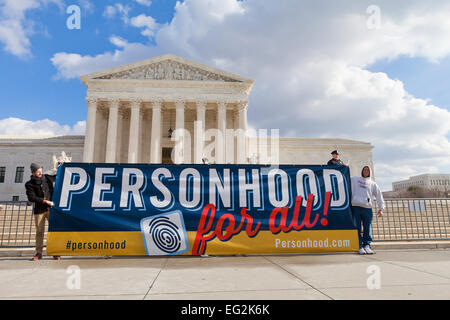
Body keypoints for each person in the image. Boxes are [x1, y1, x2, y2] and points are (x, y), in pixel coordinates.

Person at [25, 163, 60, 261]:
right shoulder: (29, 184)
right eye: (37, 171)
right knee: (39, 232)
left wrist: (61, 166)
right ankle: (39, 253)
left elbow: (58, 175)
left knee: (53, 231)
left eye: (40, 170)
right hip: (39, 211)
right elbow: (31, 198)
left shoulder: (47, 178)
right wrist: (45, 201)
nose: (40, 172)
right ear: (33, 173)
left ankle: (55, 252)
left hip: (50, 209)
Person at [351, 166, 384, 255]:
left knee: (367, 228)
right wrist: (342, 166)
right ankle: (359, 246)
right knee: (356, 228)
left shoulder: (373, 184)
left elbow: (379, 196)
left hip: (367, 208)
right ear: (362, 171)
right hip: (356, 207)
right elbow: (344, 176)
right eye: (364, 170)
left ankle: (367, 245)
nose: (366, 171)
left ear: (370, 172)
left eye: (367, 170)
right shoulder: (354, 179)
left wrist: (381, 208)